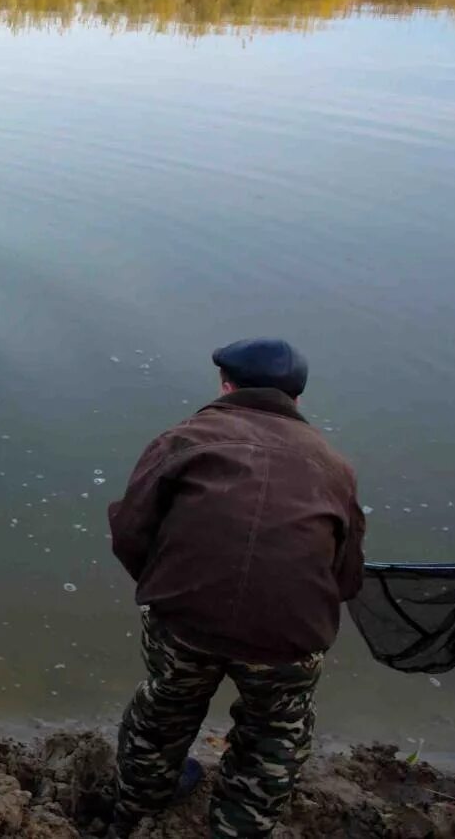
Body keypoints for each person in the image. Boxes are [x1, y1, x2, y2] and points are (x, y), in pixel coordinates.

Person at [106, 338, 366, 839]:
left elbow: (131, 536)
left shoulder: (181, 440)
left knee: (164, 707)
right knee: (275, 731)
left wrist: (171, 590)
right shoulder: (336, 468)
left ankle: (137, 810)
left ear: (226, 385)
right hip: (288, 635)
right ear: (298, 400)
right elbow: (347, 575)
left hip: (186, 621)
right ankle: (239, 827)